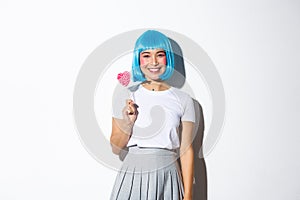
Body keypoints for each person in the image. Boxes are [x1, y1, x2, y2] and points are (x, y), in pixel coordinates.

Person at [110, 30, 195, 200]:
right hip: (133, 174)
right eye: (146, 55)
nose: (153, 62)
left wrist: (188, 196)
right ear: (138, 59)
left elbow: (186, 150)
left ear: (167, 58)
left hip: (168, 174)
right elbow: (115, 147)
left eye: (160, 55)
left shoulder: (184, 100)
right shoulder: (126, 96)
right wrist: (128, 122)